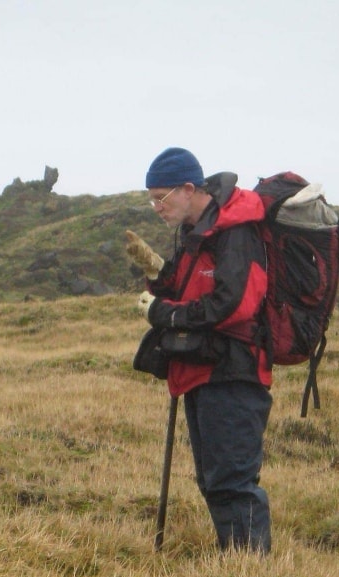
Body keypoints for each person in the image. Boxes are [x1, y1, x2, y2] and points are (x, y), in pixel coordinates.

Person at [126, 146, 272, 553]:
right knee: (214, 479)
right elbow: (197, 289)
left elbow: (234, 304)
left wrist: (167, 315)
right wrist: (161, 274)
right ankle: (238, 569)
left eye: (161, 196)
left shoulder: (236, 230)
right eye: (151, 198)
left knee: (233, 482)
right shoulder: (199, 233)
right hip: (207, 370)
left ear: (189, 188)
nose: (155, 206)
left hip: (234, 370)